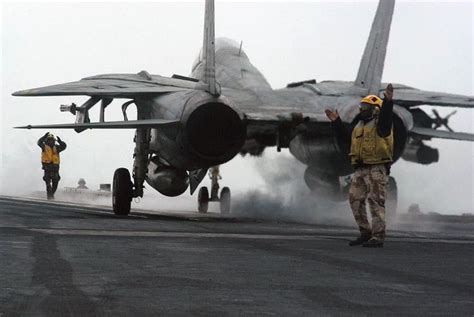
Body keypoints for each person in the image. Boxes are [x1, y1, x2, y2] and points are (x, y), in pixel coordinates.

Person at [325, 84, 394, 248]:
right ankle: (365, 233)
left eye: (366, 106)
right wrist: (336, 122)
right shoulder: (359, 126)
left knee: (376, 202)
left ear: (376, 109)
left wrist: (388, 102)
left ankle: (378, 237)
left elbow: (385, 117)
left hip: (377, 168)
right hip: (361, 169)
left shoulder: (382, 126)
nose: (362, 109)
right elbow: (346, 137)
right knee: (354, 200)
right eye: (361, 106)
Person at [37, 132, 67, 200]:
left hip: (55, 169)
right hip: (47, 169)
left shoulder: (57, 148)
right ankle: (49, 197)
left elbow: (64, 146)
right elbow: (39, 142)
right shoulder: (44, 147)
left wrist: (60, 142)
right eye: (49, 140)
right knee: (48, 184)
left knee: (55, 184)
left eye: (52, 140)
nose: (51, 141)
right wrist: (43, 136)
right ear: (46, 140)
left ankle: (51, 195)